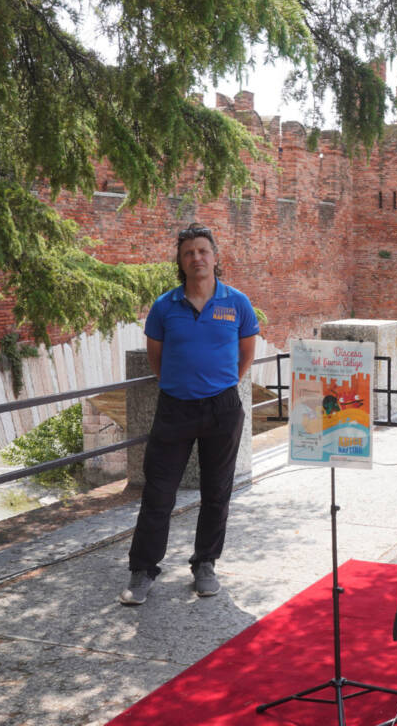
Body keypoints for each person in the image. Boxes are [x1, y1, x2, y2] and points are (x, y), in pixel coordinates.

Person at [119, 223, 258, 605]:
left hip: (222, 408)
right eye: (188, 253)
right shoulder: (165, 306)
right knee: (159, 493)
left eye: (202, 251)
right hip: (174, 409)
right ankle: (143, 570)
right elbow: (156, 357)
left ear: (215, 257)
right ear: (181, 263)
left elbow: (246, 353)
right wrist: (180, 385)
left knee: (217, 492)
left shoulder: (237, 303)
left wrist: (222, 384)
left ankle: (205, 564)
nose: (196, 258)